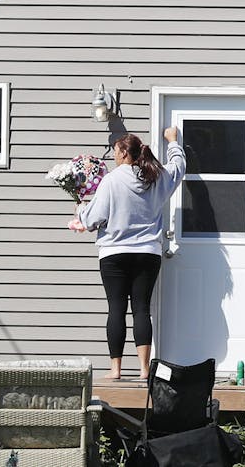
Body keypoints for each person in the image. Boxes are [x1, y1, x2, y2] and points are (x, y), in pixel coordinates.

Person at [68, 126, 185, 380]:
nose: (113, 157)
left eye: (115, 152)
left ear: (123, 153)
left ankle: (116, 370)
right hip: (147, 253)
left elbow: (94, 217)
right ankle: (144, 370)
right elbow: (179, 166)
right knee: (141, 309)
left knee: (117, 309)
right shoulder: (155, 176)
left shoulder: (111, 180)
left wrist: (81, 212)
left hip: (114, 254)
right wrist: (173, 141)